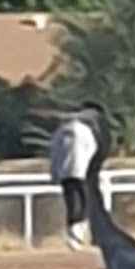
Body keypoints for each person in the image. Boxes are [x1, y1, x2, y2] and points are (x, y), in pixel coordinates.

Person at [49, 104, 102, 251]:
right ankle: (79, 233)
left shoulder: (59, 133)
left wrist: (54, 172)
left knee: (71, 205)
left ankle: (73, 237)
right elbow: (93, 151)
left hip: (66, 173)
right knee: (86, 205)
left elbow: (54, 155)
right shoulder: (85, 131)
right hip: (82, 172)